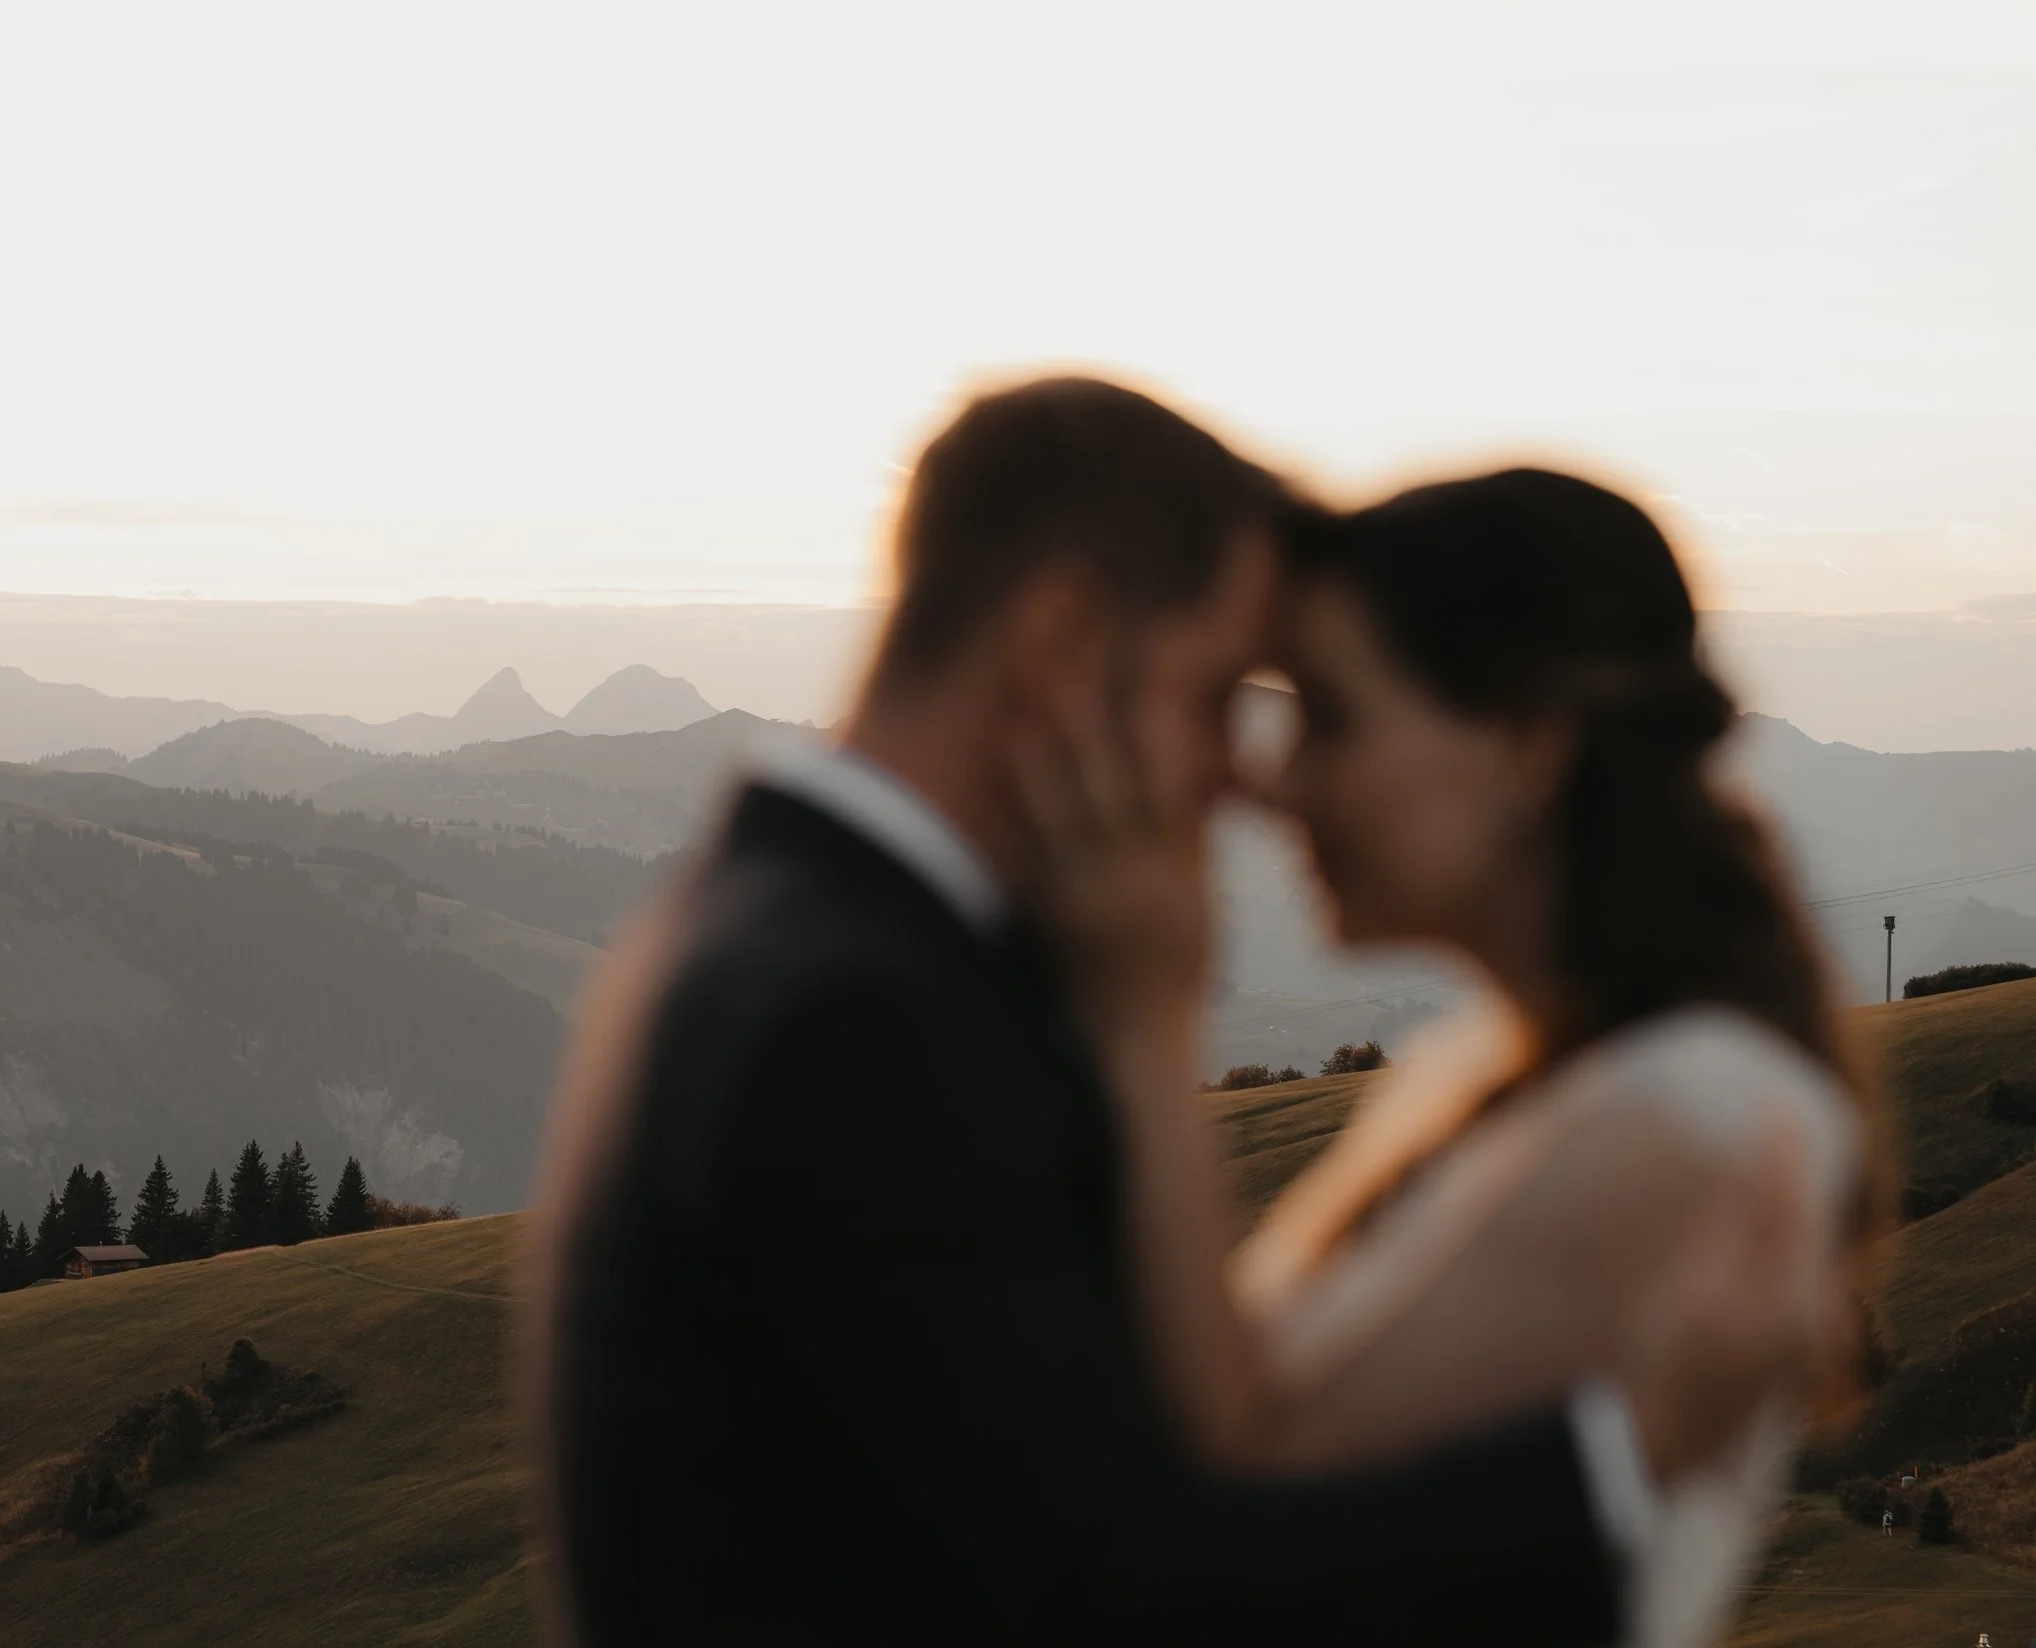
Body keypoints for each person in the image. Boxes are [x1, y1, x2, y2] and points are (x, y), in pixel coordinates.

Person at [524, 379, 1820, 1646]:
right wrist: (1619, 1456)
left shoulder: (773, 931)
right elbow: (1128, 1588)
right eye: (1218, 699)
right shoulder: (859, 1012)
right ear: (1062, 646)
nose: (1239, 773)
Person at [1121, 469, 1873, 1648]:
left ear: (1525, 743)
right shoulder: (1476, 1075)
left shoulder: (1680, 1113)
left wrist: (1139, 1007)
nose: (1272, 780)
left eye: (1327, 714)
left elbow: (1226, 1512)